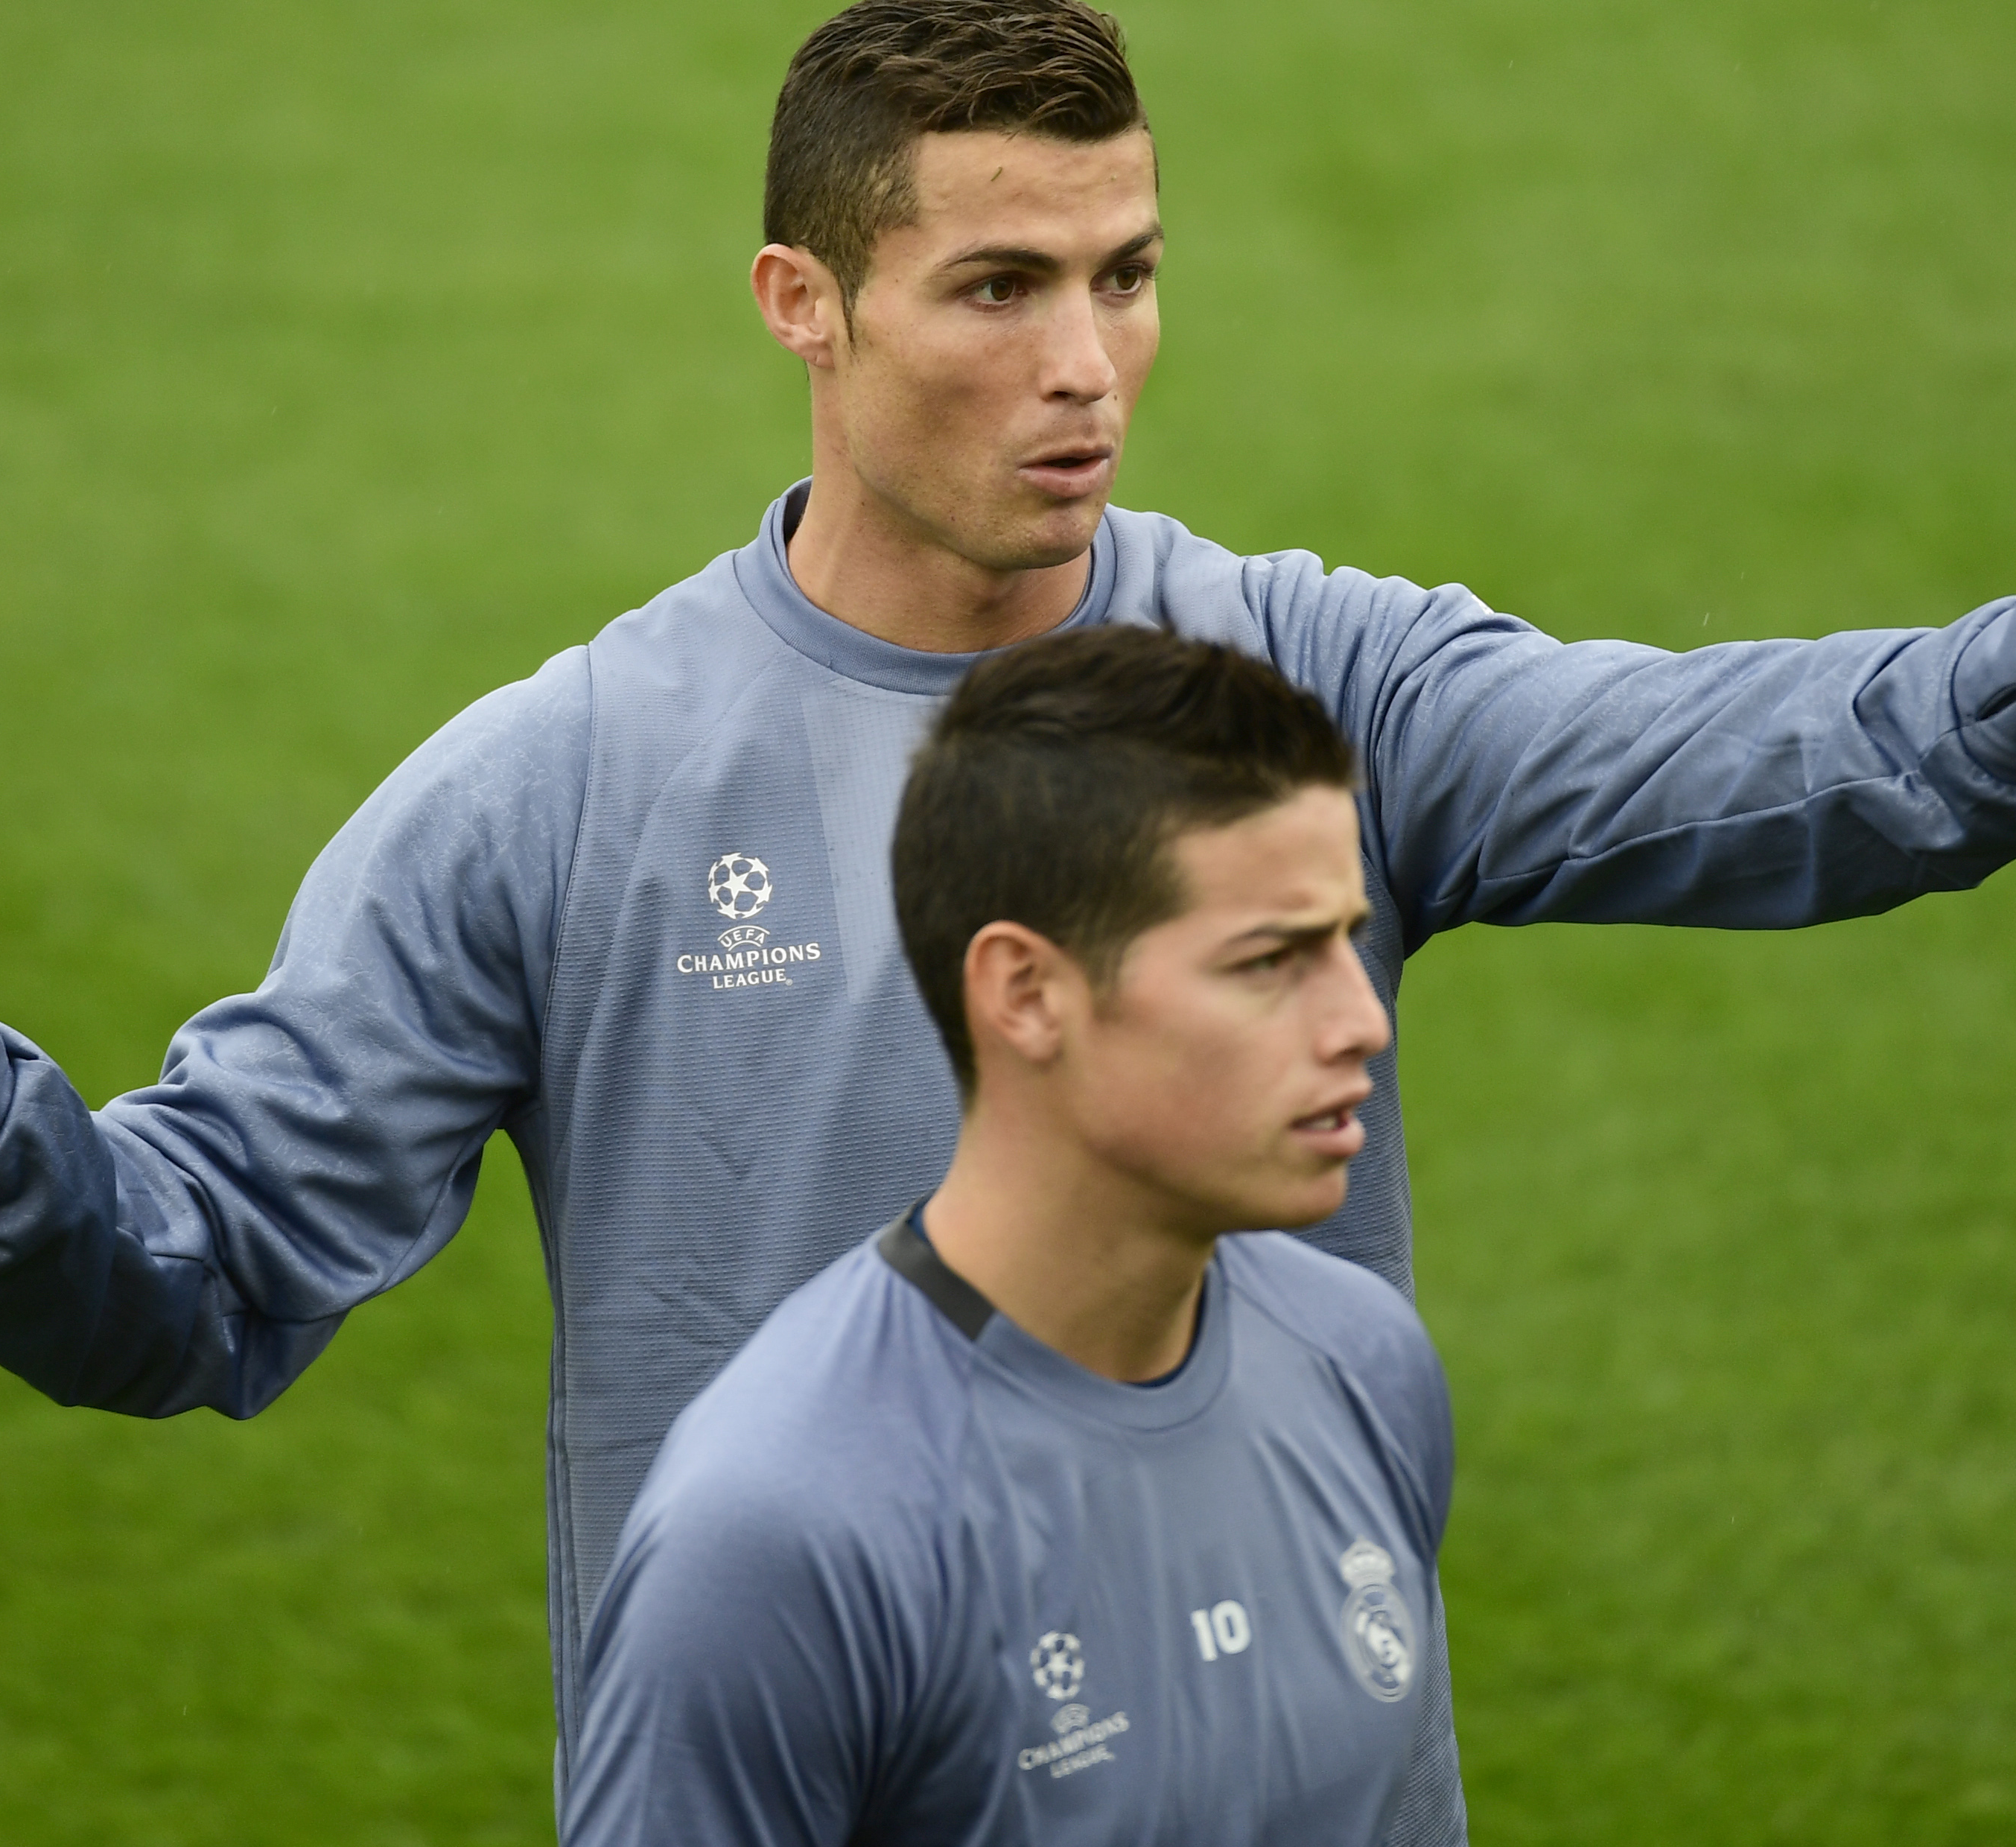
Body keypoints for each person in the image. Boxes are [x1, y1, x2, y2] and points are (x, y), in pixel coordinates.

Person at [0, 0, 2016, 1830]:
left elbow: (1682, 759)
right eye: (1002, 287)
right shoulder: (566, 788)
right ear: (800, 308)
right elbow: (197, 1278)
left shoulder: (1298, 674)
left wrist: (2007, 694)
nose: (1091, 367)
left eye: (1128, 272)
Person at [564, 625, 1453, 1845]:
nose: (1363, 1023)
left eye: (1347, 943)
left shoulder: (1367, 1364)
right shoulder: (779, 1533)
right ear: (1027, 994)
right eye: (1269, 961)